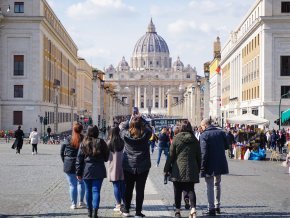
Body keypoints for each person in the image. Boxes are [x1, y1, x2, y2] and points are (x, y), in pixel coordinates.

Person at [164, 120, 201, 218]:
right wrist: (198, 168)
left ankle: (177, 211)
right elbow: (199, 156)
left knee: (177, 190)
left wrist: (166, 169)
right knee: (190, 189)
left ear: (181, 128)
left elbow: (171, 156)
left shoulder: (176, 139)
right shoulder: (195, 140)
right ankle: (193, 209)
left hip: (177, 169)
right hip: (191, 168)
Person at [119, 114, 152, 218]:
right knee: (140, 190)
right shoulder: (146, 134)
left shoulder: (125, 134)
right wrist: (142, 119)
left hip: (129, 165)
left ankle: (126, 210)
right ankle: (138, 212)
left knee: (128, 188)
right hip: (143, 166)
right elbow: (149, 128)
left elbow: (122, 127)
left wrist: (130, 118)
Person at [76, 125, 109, 218]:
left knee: (88, 191)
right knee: (96, 191)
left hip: (87, 169)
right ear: (97, 132)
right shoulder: (102, 142)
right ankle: (95, 213)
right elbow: (106, 158)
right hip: (99, 169)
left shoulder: (84, 142)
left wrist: (78, 172)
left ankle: (89, 212)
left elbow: (79, 159)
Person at [199, 118, 229, 216]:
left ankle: (211, 208)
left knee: (210, 186)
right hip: (220, 162)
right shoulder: (221, 132)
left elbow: (203, 153)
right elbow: (226, 146)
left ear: (205, 125)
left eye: (202, 126)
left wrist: (202, 166)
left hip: (209, 163)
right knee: (217, 184)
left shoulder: (204, 135)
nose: (201, 128)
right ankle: (217, 206)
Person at [60, 123, 85, 210]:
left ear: (73, 130)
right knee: (81, 183)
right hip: (81, 163)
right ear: (81, 130)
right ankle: (81, 202)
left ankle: (73, 204)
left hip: (69, 162)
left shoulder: (68, 138)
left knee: (72, 185)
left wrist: (65, 160)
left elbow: (61, 151)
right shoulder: (84, 138)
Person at [107, 126, 125, 212]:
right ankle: (125, 203)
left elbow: (106, 157)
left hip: (113, 166)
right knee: (123, 185)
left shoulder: (109, 143)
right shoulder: (123, 142)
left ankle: (118, 204)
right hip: (123, 166)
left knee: (116, 186)